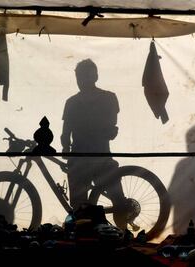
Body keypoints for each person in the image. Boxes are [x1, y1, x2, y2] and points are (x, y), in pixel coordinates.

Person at [61, 59, 127, 229]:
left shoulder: (75, 102)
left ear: (95, 76)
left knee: (113, 201)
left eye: (83, 76)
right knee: (83, 206)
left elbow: (66, 133)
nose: (81, 80)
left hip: (93, 158)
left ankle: (122, 230)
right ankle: (121, 230)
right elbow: (66, 133)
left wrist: (66, 150)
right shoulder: (107, 99)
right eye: (79, 76)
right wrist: (66, 150)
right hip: (91, 157)